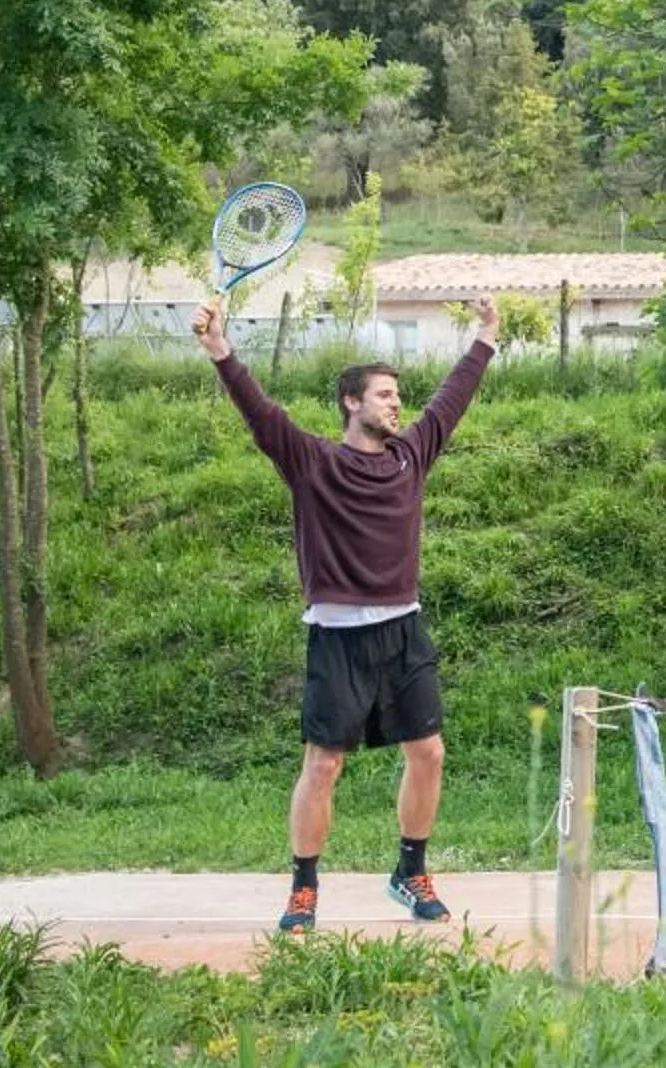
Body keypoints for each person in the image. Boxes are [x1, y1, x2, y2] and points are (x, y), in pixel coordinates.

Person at [197, 294, 501, 936]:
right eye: (385, 395)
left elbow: (454, 397)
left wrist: (486, 335)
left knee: (430, 752)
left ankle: (409, 870)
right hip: (337, 637)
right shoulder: (314, 463)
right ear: (351, 402)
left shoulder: (410, 456)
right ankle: (304, 887)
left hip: (403, 629)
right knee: (323, 765)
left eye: (399, 395)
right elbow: (260, 413)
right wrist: (222, 350)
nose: (398, 404)